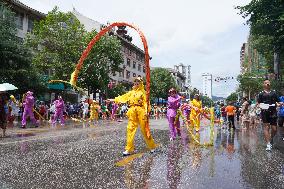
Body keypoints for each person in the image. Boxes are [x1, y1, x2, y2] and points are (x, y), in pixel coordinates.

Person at [108, 77, 156, 156]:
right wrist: (112, 100)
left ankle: (152, 147)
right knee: (130, 129)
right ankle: (128, 148)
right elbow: (123, 97)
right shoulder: (131, 92)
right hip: (132, 111)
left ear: (141, 83)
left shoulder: (143, 92)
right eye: (135, 81)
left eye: (138, 81)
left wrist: (147, 111)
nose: (136, 83)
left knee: (144, 129)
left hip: (141, 111)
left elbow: (146, 102)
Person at [257, 79, 279, 151]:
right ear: (263, 85)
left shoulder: (274, 93)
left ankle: (271, 138)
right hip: (264, 112)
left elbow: (278, 102)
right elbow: (258, 103)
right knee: (266, 127)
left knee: (274, 129)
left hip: (273, 111)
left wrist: (279, 104)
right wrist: (261, 106)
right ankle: (268, 144)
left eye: (268, 82)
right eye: (266, 83)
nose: (267, 84)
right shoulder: (261, 94)